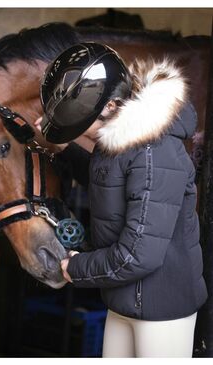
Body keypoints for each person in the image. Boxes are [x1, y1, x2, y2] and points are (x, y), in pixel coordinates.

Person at [37, 42, 208, 358]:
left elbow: (139, 255)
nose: (86, 134)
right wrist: (65, 145)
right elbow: (109, 181)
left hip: (162, 307)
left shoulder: (154, 150)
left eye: (87, 125)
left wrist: (76, 268)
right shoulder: (119, 142)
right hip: (122, 298)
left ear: (113, 106)